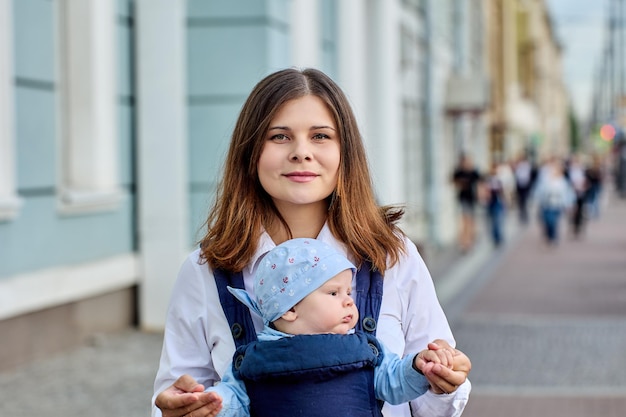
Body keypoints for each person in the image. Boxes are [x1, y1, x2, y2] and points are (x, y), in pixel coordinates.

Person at [152, 68, 471, 417]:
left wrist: (443, 379)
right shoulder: (205, 271)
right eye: (279, 136)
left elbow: (433, 406)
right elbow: (174, 398)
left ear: (344, 152)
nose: (301, 152)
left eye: (320, 136)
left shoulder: (391, 255)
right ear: (250, 152)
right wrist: (183, 410)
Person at [199, 238, 466, 417]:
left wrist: (419, 366)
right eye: (334, 293)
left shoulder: (364, 349)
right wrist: (206, 404)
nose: (349, 300)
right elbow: (231, 400)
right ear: (290, 309)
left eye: (348, 291)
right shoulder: (255, 360)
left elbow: (395, 381)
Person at [533, 159, 575, 245]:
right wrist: (537, 199)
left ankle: (553, 237)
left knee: (554, 221)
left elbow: (567, 194)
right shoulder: (545, 180)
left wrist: (569, 204)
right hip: (546, 204)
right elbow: (539, 191)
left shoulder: (562, 181)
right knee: (547, 221)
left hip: (557, 204)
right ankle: (549, 235)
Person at [452, 154, 481, 252]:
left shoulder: (473, 172)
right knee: (465, 221)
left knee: (471, 221)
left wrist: (480, 194)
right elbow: (453, 182)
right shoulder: (459, 172)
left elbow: (479, 183)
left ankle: (469, 240)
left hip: (471, 199)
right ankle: (465, 242)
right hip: (463, 199)